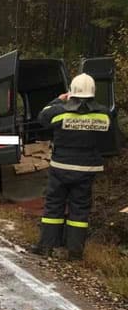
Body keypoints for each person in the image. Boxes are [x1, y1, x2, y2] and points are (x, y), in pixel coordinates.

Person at [32, 74, 111, 260]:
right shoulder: (104, 114)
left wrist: (58, 100)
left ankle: (47, 246)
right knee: (80, 209)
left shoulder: (59, 111)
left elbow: (42, 117)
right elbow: (108, 139)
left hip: (61, 167)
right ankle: (75, 251)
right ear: (93, 92)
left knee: (54, 205)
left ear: (72, 92)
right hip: (87, 170)